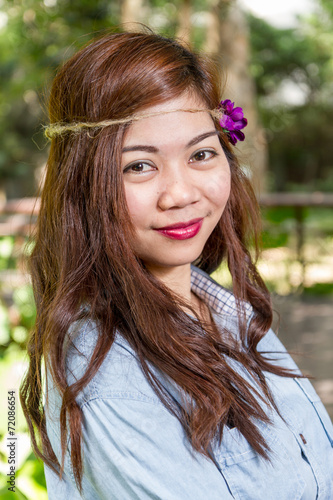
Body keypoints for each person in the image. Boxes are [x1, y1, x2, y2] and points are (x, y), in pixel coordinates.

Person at [20, 30, 333, 500]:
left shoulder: (228, 311)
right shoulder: (103, 365)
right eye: (139, 166)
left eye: (201, 154)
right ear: (85, 183)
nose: (182, 193)